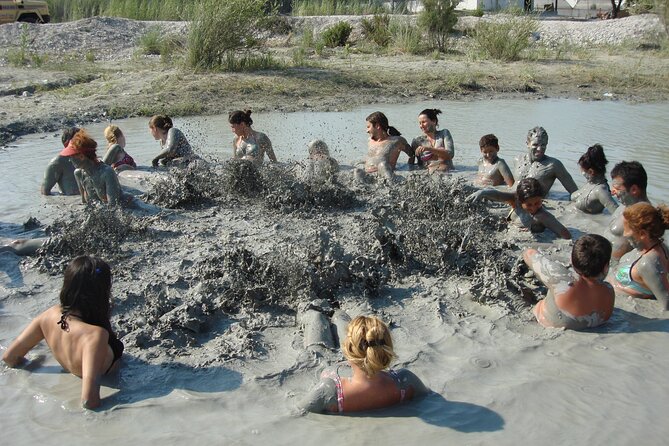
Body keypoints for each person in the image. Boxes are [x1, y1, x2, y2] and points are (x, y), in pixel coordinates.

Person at [2, 256, 124, 409]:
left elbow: (10, 357)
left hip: (71, 372)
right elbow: (89, 401)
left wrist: (35, 366)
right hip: (108, 378)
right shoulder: (95, 335)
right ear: (101, 292)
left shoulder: (48, 315)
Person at [299, 315, 428, 413]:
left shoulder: (328, 391)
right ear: (387, 348)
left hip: (325, 361)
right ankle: (337, 312)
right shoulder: (406, 382)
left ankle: (323, 311)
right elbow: (429, 398)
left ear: (347, 349)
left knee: (315, 319)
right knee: (344, 322)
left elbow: (299, 412)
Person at [523, 234, 615, 329]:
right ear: (605, 267)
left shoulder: (561, 278)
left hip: (543, 322)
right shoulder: (609, 291)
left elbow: (528, 253)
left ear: (571, 260)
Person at [466, 177, 571, 239]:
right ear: (519, 201)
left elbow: (566, 235)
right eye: (529, 205)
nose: (534, 207)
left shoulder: (542, 216)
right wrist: (483, 192)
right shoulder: (515, 200)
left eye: (538, 203)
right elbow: (498, 195)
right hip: (507, 225)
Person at [612, 203, 669, 310]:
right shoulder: (659, 247)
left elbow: (666, 305)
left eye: (627, 230)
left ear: (642, 234)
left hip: (624, 311)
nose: (624, 234)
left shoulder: (648, 263)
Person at [61, 129, 123, 206]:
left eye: (71, 156)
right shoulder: (79, 174)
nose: (70, 160)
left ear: (81, 156)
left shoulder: (107, 172)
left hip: (130, 207)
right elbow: (85, 204)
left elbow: (114, 207)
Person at [514, 126, 578, 197]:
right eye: (535, 145)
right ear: (527, 144)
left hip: (534, 204)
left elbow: (574, 192)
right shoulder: (518, 159)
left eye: (543, 145)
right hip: (513, 199)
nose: (539, 149)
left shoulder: (554, 165)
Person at [608, 161, 651, 261]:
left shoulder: (644, 216)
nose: (612, 192)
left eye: (617, 188)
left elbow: (653, 252)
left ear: (634, 189)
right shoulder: (625, 205)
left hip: (614, 268)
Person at [358, 111, 412, 179]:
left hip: (385, 175)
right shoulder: (370, 141)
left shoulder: (397, 141)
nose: (367, 130)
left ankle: (392, 186)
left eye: (368, 127)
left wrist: (410, 168)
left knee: (382, 165)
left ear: (377, 126)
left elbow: (412, 154)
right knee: (357, 171)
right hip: (369, 176)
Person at [571, 144, 617, 214]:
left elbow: (617, 214)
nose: (581, 172)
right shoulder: (590, 183)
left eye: (582, 169)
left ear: (590, 172)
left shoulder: (601, 191)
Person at [410, 108, 454, 173]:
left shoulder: (444, 133)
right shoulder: (417, 140)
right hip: (427, 173)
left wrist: (429, 149)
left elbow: (450, 154)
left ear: (434, 121)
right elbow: (411, 162)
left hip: (447, 172)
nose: (421, 126)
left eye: (424, 122)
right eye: (420, 123)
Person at [40, 127, 80, 196]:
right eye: (80, 140)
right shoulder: (57, 162)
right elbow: (45, 192)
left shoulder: (89, 158)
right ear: (67, 143)